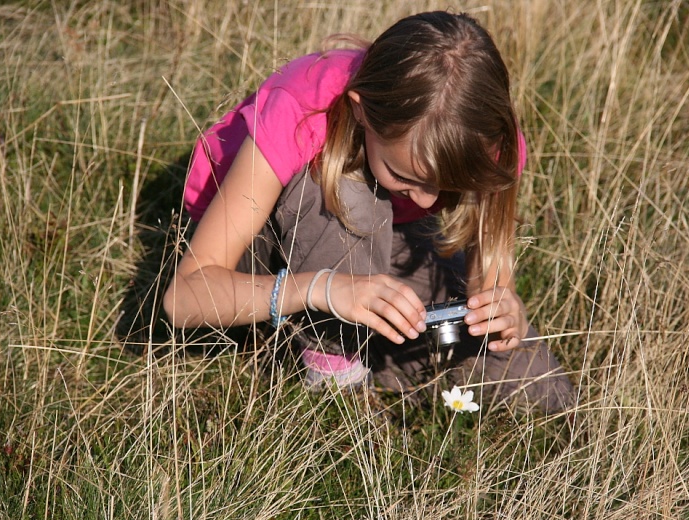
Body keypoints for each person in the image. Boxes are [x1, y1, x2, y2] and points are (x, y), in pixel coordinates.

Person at [163, 11, 574, 413]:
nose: (429, 203)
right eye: (405, 177)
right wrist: (322, 289)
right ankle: (335, 390)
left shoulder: (484, 140)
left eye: (447, 186)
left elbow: (489, 281)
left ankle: (351, 355)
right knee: (345, 190)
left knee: (537, 385)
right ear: (361, 110)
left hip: (384, 241)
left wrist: (501, 305)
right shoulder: (301, 110)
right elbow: (183, 299)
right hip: (265, 252)